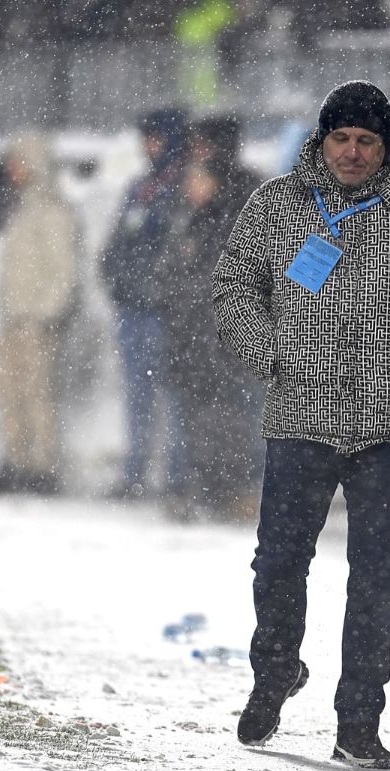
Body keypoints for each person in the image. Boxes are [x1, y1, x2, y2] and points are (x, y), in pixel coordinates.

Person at [212, 80, 390, 769]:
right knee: (278, 562)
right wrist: (271, 352)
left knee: (375, 579)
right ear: (322, 138)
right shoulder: (278, 205)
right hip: (299, 412)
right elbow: (233, 285)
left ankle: (359, 721)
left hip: (386, 424)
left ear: (386, 145)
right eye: (342, 138)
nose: (354, 152)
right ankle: (274, 673)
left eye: (367, 140)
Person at [167, 115, 263, 519]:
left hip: (226, 336)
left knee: (230, 418)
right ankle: (210, 490)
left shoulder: (248, 202)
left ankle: (232, 491)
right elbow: (175, 267)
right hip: (197, 335)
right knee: (203, 418)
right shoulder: (196, 212)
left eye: (203, 146)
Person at [99, 108, 187, 501]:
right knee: (138, 397)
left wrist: (162, 290)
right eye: (147, 139)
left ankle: (176, 478)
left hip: (168, 314)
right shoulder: (140, 187)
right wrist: (115, 281)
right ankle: (134, 473)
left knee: (177, 397)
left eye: (158, 138)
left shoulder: (185, 187)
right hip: (132, 310)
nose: (151, 146)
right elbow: (116, 244)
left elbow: (178, 249)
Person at [0, 131, 80, 495]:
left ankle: (42, 467)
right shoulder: (22, 209)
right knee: (10, 391)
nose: (13, 169)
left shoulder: (53, 212)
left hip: (37, 322)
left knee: (38, 393)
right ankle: (17, 461)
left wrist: (44, 315)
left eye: (19, 161)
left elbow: (64, 271)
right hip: (15, 318)